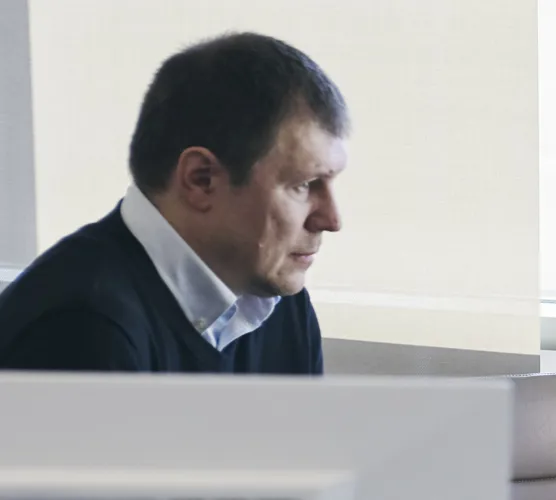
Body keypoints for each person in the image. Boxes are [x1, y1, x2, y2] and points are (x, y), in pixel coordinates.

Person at [0, 32, 347, 372]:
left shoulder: (276, 297)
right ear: (201, 180)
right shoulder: (80, 327)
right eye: (304, 185)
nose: (331, 219)